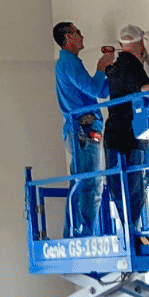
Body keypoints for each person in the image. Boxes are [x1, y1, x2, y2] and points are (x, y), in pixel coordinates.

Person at [52, 21, 114, 237]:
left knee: (84, 183)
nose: (82, 36)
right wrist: (101, 67)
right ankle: (84, 235)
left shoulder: (67, 63)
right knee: (91, 185)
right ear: (68, 37)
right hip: (84, 130)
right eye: (78, 32)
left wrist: (108, 72)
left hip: (82, 129)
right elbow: (94, 87)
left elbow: (100, 93)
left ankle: (78, 233)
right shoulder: (69, 62)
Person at [102, 24, 149, 234]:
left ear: (120, 45)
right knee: (133, 188)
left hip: (113, 137)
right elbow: (147, 88)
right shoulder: (133, 65)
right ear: (141, 42)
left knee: (118, 188)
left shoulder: (114, 68)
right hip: (130, 138)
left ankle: (126, 231)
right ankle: (132, 232)